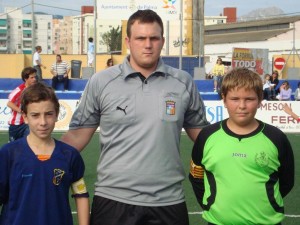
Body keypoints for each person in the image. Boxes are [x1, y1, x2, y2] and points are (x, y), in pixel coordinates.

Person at [61, 9, 209, 225]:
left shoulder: (183, 81)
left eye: (153, 38)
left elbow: (204, 138)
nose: (147, 44)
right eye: (141, 38)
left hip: (169, 201)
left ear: (162, 41)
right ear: (128, 41)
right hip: (113, 200)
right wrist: (39, 159)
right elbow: (76, 138)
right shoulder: (101, 82)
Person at [189, 67, 294, 225]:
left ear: (259, 100)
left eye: (249, 99)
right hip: (218, 222)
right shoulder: (207, 136)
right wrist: (210, 203)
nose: (242, 105)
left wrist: (267, 201)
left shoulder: (276, 138)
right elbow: (196, 175)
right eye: (235, 98)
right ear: (224, 99)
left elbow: (287, 181)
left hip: (266, 222)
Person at [0, 82, 90, 225]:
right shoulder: (8, 154)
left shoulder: (70, 155)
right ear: (25, 116)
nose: (43, 122)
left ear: (56, 114)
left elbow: (81, 194)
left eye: (48, 114)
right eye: (35, 115)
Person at [7, 67, 37, 142]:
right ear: (26, 79)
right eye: (32, 77)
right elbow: (9, 103)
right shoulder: (19, 91)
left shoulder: (35, 90)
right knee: (14, 148)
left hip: (27, 123)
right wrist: (21, 111)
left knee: (28, 144)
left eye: (35, 77)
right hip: (15, 125)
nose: (34, 79)